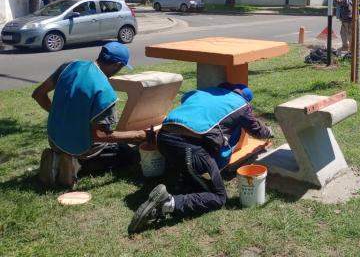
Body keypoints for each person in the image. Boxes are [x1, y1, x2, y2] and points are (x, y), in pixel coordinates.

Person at [128, 83, 274, 233]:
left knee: (197, 174)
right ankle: (168, 203)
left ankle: (182, 183)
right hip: (188, 146)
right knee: (218, 198)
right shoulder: (242, 105)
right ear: (246, 99)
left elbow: (186, 98)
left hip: (163, 138)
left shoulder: (205, 92)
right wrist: (269, 131)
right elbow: (257, 130)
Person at [32, 42, 153, 189]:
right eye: (121, 67)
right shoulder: (105, 92)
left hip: (54, 138)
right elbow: (100, 136)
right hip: (80, 148)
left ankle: (58, 157)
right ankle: (77, 164)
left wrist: (61, 114)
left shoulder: (69, 66)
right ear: (117, 64)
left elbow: (38, 94)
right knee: (128, 154)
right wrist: (138, 135)